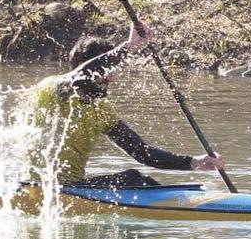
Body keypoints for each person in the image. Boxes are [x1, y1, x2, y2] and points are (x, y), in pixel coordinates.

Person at [29, 22, 224, 188]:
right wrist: (129, 47)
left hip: (72, 188)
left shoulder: (101, 110)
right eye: (108, 69)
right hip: (39, 187)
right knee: (134, 179)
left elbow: (141, 152)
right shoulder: (51, 88)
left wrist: (194, 162)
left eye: (114, 69)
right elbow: (79, 77)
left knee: (136, 179)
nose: (112, 77)